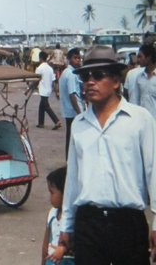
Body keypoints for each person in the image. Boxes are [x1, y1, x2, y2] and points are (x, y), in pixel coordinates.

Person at [60, 45, 156, 264]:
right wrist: (67, 225)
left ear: (116, 81)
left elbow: (154, 172)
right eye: (85, 76)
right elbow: (73, 180)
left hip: (128, 223)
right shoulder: (79, 124)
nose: (90, 82)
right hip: (88, 223)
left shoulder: (140, 120)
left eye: (98, 75)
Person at [41, 167, 74, 265]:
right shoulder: (52, 214)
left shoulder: (74, 218)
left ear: (66, 194)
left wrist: (64, 249)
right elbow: (45, 245)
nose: (50, 197)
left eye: (52, 193)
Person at [58, 48, 83, 159]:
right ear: (69, 59)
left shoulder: (66, 72)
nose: (78, 60)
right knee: (74, 137)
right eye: (75, 58)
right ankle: (71, 159)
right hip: (73, 110)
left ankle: (69, 159)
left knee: (70, 135)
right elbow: (72, 94)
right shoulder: (71, 74)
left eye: (79, 58)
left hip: (68, 110)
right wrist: (79, 112)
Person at [33, 51, 61, 130]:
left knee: (46, 106)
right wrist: (56, 92)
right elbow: (54, 80)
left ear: (40, 58)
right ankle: (41, 123)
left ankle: (56, 121)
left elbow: (36, 81)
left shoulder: (39, 68)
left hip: (43, 90)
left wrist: (29, 90)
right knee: (41, 106)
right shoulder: (50, 68)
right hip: (49, 90)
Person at [133, 43, 156, 118]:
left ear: (148, 57)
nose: (138, 60)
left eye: (140, 57)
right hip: (144, 120)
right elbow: (135, 100)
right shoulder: (139, 78)